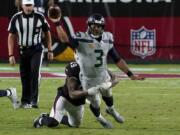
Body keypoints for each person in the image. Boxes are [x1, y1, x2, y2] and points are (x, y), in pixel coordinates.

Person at [48, 13, 145, 128]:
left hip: (102, 73)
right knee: (96, 102)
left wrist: (130, 74)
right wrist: (57, 22)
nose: (96, 28)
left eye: (98, 26)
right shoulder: (82, 38)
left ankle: (111, 110)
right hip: (87, 78)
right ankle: (100, 119)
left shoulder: (107, 38)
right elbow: (64, 39)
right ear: (89, 25)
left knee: (108, 94)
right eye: (93, 25)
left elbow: (117, 59)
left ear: (102, 27)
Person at [33, 62, 114, 128]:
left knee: (74, 125)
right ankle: (42, 119)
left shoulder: (97, 70)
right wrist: (88, 92)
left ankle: (51, 116)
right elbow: (72, 94)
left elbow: (115, 79)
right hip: (64, 98)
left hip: (78, 104)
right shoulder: (75, 69)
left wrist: (108, 84)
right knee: (53, 123)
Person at [8, 0, 53, 109]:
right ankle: (25, 101)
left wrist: (50, 50)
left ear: (33, 5)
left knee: (34, 73)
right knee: (24, 76)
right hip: (23, 50)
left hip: (36, 49)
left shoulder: (40, 17)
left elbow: (47, 33)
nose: (28, 8)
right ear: (22, 6)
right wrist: (10, 54)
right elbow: (11, 36)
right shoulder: (16, 17)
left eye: (30, 5)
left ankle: (33, 100)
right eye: (26, 5)